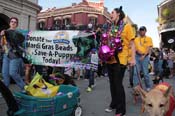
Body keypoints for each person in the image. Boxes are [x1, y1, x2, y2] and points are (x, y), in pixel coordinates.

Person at [104, 6, 135, 116]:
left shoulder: (127, 27)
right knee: (112, 84)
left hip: (121, 59)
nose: (110, 14)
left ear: (118, 14)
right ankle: (114, 104)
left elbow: (132, 44)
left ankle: (121, 110)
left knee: (118, 84)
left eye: (112, 12)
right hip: (110, 59)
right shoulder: (110, 28)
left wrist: (132, 58)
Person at [0, 17, 26, 90]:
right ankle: (6, 91)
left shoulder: (18, 33)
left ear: (16, 24)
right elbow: (2, 44)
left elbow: (20, 44)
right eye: (12, 21)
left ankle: (24, 88)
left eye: (15, 22)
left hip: (15, 56)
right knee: (5, 74)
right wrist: (2, 36)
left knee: (13, 73)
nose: (13, 23)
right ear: (9, 23)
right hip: (6, 55)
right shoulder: (5, 32)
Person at [133, 26, 153, 91]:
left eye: (143, 30)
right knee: (136, 73)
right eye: (140, 30)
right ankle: (136, 88)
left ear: (145, 31)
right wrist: (136, 51)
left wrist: (143, 56)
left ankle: (148, 87)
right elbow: (134, 48)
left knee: (145, 73)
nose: (141, 31)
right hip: (137, 56)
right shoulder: (136, 39)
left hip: (145, 57)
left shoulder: (149, 38)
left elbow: (149, 48)